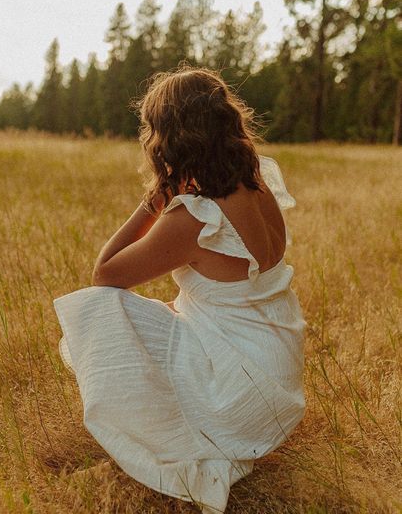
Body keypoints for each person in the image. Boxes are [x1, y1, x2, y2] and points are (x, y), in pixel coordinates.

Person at [53, 65, 306, 514]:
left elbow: (105, 274)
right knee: (165, 314)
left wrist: (152, 203)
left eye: (151, 127)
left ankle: (153, 446)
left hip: (239, 387)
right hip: (276, 371)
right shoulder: (257, 182)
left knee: (99, 309)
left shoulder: (194, 216)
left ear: (170, 136)